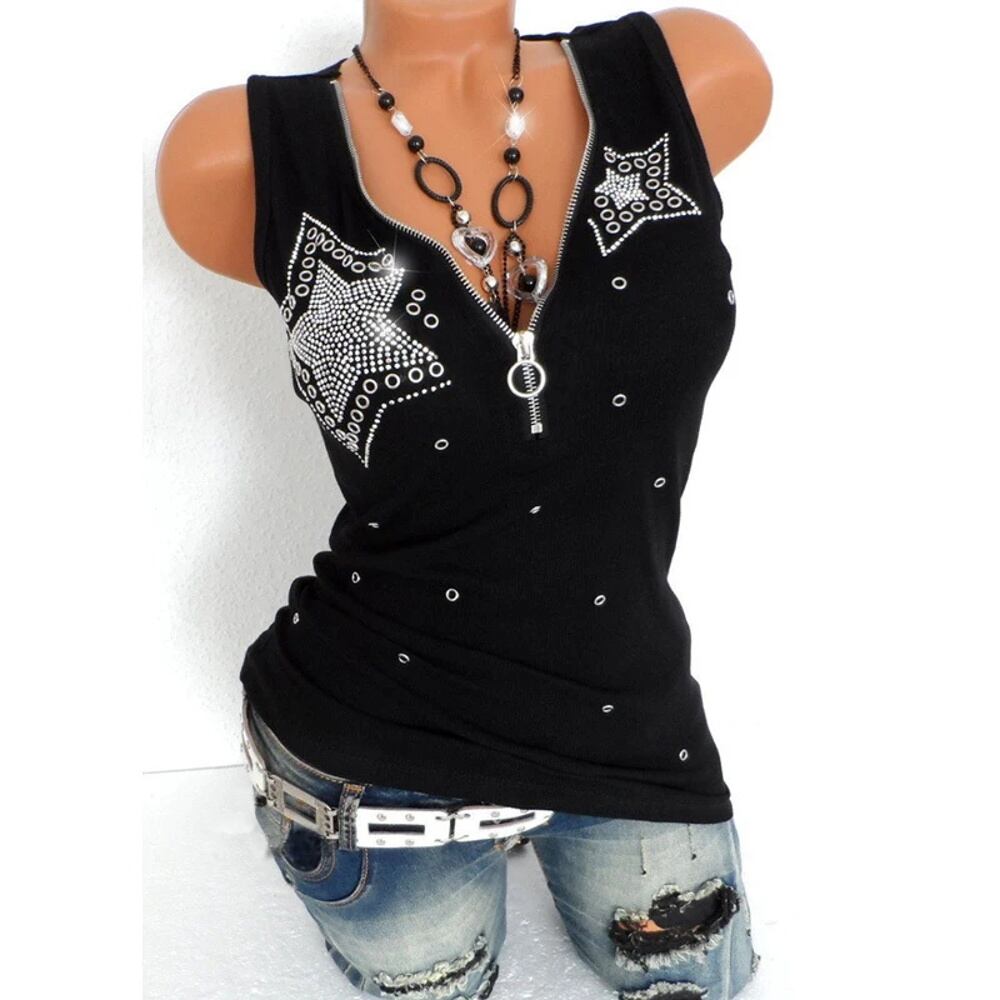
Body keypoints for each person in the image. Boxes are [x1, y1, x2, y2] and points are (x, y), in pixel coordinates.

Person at [156, 4, 772, 997]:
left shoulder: (692, 75)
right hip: (375, 739)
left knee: (704, 980)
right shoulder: (234, 151)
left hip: (628, 713)